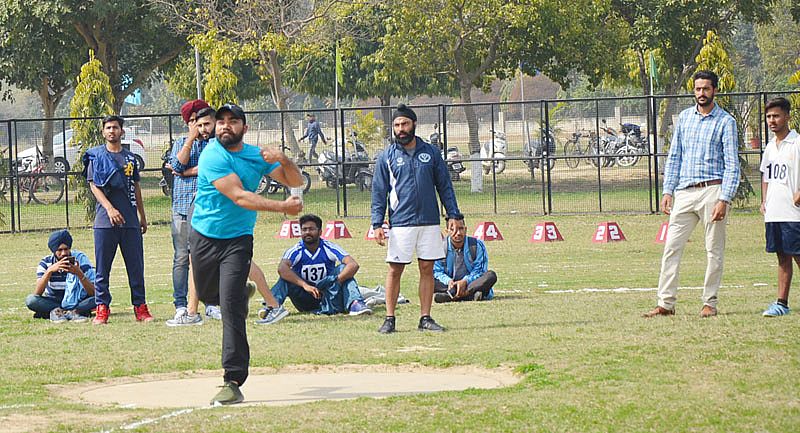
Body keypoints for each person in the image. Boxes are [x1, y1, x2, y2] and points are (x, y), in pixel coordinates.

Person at [189, 103, 304, 405]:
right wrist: (283, 207)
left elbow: (296, 181)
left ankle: (233, 379)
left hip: (238, 241)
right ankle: (241, 291)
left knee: (229, 308)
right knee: (207, 296)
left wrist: (282, 158)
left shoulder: (255, 156)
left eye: (233, 121)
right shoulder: (212, 154)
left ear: (244, 128)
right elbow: (239, 196)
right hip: (204, 235)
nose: (225, 126)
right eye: (221, 122)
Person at [644, 70, 740, 319]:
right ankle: (665, 303)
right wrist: (667, 191)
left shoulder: (725, 121)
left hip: (712, 190)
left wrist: (724, 198)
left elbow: (732, 164)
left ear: (715, 90)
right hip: (685, 193)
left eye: (706, 89)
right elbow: (674, 157)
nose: (701, 93)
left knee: (713, 250)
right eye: (698, 89)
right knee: (671, 248)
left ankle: (709, 302)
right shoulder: (685, 118)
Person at [371, 103, 461, 333]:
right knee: (394, 269)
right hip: (401, 222)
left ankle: (425, 318)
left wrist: (453, 214)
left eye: (405, 124)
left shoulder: (431, 152)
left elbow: (445, 186)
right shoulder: (386, 157)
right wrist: (377, 222)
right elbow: (379, 191)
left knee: (427, 268)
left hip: (429, 221)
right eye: (397, 125)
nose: (401, 129)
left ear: (414, 125)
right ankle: (390, 319)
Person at [83, 115, 151, 325]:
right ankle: (102, 308)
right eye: (108, 128)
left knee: (136, 267)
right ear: (103, 132)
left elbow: (136, 186)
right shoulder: (97, 156)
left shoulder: (130, 158)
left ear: (122, 131)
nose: (112, 131)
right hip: (105, 222)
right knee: (103, 268)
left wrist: (142, 215)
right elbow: (94, 185)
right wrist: (110, 209)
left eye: (116, 127)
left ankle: (140, 308)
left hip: (130, 221)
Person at [166, 101, 225, 325]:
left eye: (201, 123)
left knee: (208, 257)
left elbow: (211, 170)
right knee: (182, 257)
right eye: (193, 123)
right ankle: (181, 305)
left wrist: (188, 171)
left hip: (208, 208)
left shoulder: (216, 144)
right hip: (181, 208)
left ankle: (211, 304)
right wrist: (190, 140)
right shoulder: (182, 142)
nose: (198, 128)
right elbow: (176, 166)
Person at [267, 214, 372, 319]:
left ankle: (355, 304)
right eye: (304, 229)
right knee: (285, 278)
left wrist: (337, 281)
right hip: (305, 297)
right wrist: (305, 285)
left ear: (320, 232)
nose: (307, 232)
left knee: (344, 269)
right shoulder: (295, 250)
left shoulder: (329, 247)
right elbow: (282, 268)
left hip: (328, 293)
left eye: (311, 229)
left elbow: (353, 264)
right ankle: (272, 306)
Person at [759, 97, 800, 317]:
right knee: (782, 257)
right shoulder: (769, 147)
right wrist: (764, 201)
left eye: (776, 116)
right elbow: (766, 175)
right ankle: (781, 304)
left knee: (798, 255)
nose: (772, 120)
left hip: (795, 214)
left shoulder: (797, 143)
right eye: (768, 117)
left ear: (787, 117)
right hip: (775, 211)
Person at [26, 229, 97, 323]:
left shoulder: (81, 260)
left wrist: (79, 273)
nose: (64, 253)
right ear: (54, 251)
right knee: (31, 300)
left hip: (77, 300)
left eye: (66, 249)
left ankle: (70, 312)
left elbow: (93, 292)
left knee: (103, 296)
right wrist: (49, 271)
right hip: (54, 300)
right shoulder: (46, 262)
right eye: (60, 250)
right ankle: (60, 311)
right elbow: (37, 293)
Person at [433, 215, 497, 303]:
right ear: (447, 231)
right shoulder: (440, 247)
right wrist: (449, 281)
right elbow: (437, 271)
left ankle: (453, 295)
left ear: (465, 229)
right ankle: (469, 295)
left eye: (461, 228)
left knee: (491, 276)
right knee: (429, 281)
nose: (458, 233)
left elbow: (480, 270)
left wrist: (465, 281)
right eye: (453, 229)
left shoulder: (477, 245)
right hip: (449, 284)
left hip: (471, 284)